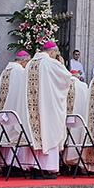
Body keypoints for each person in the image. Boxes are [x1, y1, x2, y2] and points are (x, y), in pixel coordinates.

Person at [20, 41, 73, 178]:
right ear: (52, 52)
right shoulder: (51, 63)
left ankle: (34, 167)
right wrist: (62, 65)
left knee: (36, 134)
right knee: (48, 132)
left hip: (32, 108)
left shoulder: (30, 64)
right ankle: (46, 168)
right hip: (48, 107)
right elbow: (67, 79)